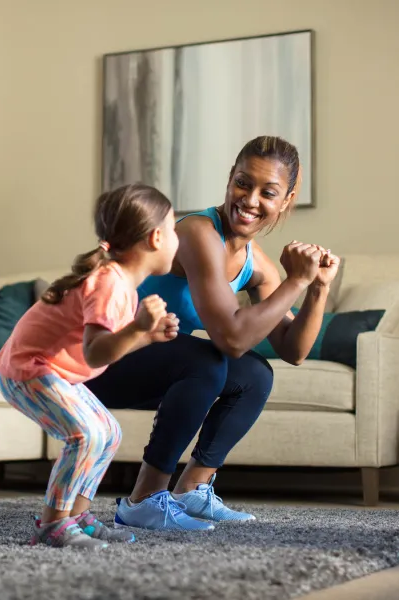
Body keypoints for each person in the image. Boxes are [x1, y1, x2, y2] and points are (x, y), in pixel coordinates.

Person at [85, 136, 341, 531]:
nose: (250, 199)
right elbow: (231, 338)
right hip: (99, 358)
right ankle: (144, 501)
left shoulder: (257, 265)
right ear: (229, 179)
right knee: (206, 360)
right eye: (243, 182)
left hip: (150, 361)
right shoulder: (197, 232)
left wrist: (318, 287)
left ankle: (192, 490)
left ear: (286, 200)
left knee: (255, 374)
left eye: (268, 192)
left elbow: (294, 350)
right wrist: (295, 282)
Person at [0, 183, 182, 550]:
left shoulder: (121, 283)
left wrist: (147, 336)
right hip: (28, 369)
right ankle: (52, 525)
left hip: (49, 370)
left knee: (108, 431)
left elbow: (108, 346)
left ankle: (77, 517)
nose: (177, 238)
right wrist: (139, 328)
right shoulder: (110, 283)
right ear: (157, 238)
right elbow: (96, 353)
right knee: (86, 435)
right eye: (174, 229)